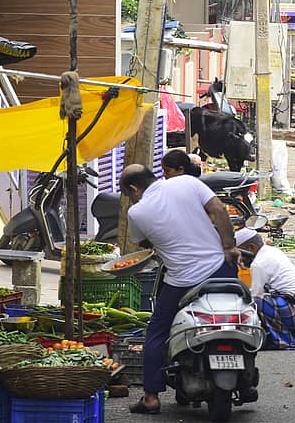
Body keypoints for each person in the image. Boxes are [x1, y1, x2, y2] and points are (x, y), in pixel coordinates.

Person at [122, 164, 239, 415]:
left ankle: (151, 397)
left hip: (182, 281)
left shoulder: (136, 212)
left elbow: (144, 241)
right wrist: (229, 246)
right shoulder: (186, 182)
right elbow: (219, 210)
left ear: (134, 188)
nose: (131, 198)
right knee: (238, 312)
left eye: (129, 194)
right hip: (220, 268)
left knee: (156, 332)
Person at [234, 228, 295, 349]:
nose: (240, 258)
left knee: (255, 302)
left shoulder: (259, 263)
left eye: (240, 253)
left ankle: (285, 340)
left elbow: (254, 297)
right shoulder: (271, 251)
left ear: (251, 248)